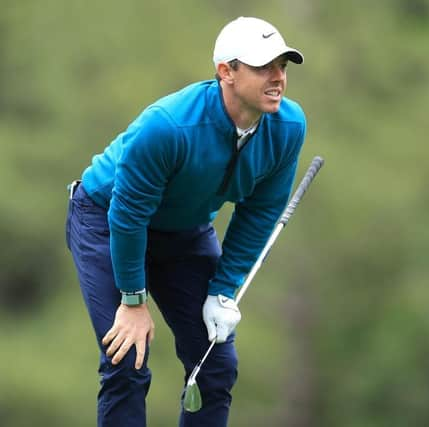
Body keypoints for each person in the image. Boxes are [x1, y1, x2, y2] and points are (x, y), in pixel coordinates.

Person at [65, 16, 306, 427]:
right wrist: (133, 299)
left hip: (183, 230)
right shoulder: (169, 126)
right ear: (226, 71)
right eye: (264, 67)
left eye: (282, 66)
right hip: (106, 221)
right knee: (127, 361)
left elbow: (260, 211)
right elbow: (128, 214)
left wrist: (224, 289)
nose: (278, 78)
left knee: (215, 364)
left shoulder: (287, 127)